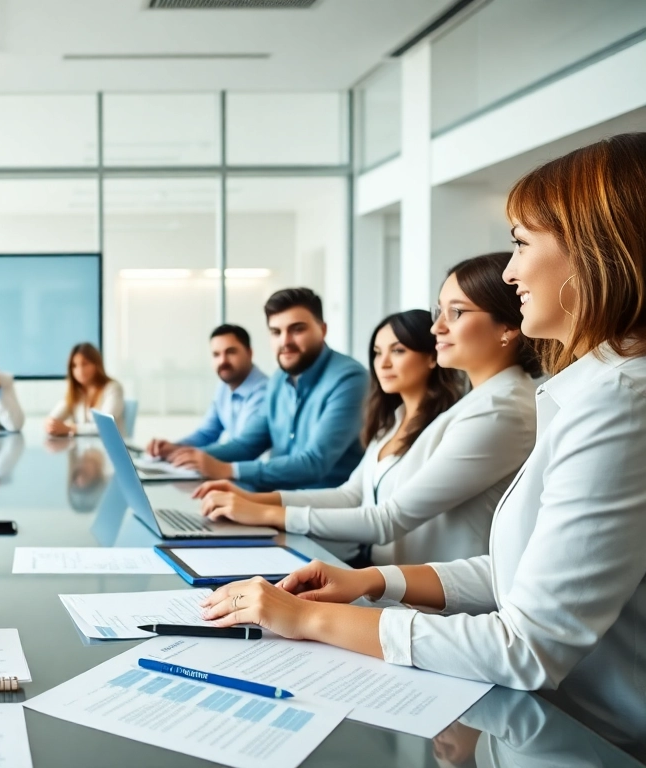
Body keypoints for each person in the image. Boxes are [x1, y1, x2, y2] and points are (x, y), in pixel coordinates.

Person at [197, 133, 646, 758]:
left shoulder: (619, 401)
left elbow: (526, 645)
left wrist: (308, 619)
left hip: (587, 738)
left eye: (521, 243)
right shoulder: (589, 390)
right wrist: (373, 582)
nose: (511, 269)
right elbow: (526, 575)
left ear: (598, 249)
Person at [198, 268, 539, 566]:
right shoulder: (409, 416)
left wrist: (266, 512)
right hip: (393, 573)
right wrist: (250, 499)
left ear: (508, 326)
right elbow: (351, 493)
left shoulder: (496, 411)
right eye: (377, 353)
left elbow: (387, 518)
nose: (437, 328)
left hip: (426, 590)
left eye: (456, 312)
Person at [169, 288, 368, 491]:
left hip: (318, 512)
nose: (285, 342)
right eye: (276, 332)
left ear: (322, 330)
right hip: (273, 501)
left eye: (297, 329)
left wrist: (229, 470)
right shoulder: (278, 380)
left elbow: (314, 462)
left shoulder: (350, 378)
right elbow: (247, 445)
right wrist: (184, 456)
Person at [147, 324, 268, 460]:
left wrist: (185, 454)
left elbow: (242, 448)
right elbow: (207, 433)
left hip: (254, 475)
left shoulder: (264, 392)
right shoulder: (224, 387)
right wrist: (173, 447)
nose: (223, 361)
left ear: (249, 353)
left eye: (231, 352)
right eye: (216, 354)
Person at [45, 342, 124, 436]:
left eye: (85, 364)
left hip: (108, 448)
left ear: (96, 364)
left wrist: (70, 428)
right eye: (74, 366)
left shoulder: (113, 388)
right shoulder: (77, 392)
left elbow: (106, 427)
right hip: (84, 448)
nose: (80, 370)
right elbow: (52, 419)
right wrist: (51, 424)